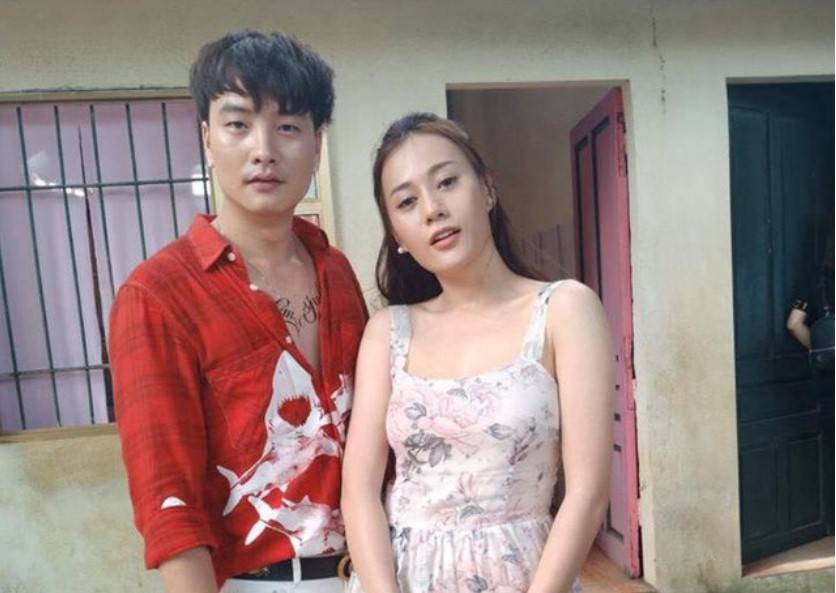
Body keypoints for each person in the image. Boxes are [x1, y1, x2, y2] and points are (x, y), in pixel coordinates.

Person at [108, 30, 367, 593]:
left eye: (288, 126)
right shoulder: (158, 295)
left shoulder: (337, 271)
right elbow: (167, 501)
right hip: (258, 582)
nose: (263, 149)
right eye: (238, 124)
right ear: (207, 138)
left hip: (374, 572)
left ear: (317, 144)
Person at [341, 113, 613, 593]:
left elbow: (587, 494)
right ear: (397, 235)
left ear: (487, 190)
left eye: (447, 182)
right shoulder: (387, 333)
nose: (432, 209)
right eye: (407, 202)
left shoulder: (563, 310)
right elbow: (359, 491)